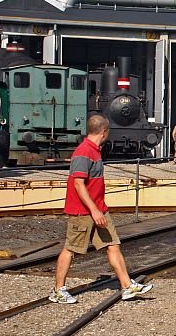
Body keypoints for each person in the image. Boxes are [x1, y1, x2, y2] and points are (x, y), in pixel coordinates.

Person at [50, 115, 153, 304]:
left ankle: (127, 286)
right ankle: (58, 290)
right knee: (71, 248)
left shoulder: (95, 150)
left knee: (113, 245)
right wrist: (94, 211)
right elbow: (79, 184)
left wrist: (98, 210)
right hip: (83, 211)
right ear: (104, 132)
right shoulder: (83, 152)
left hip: (98, 209)